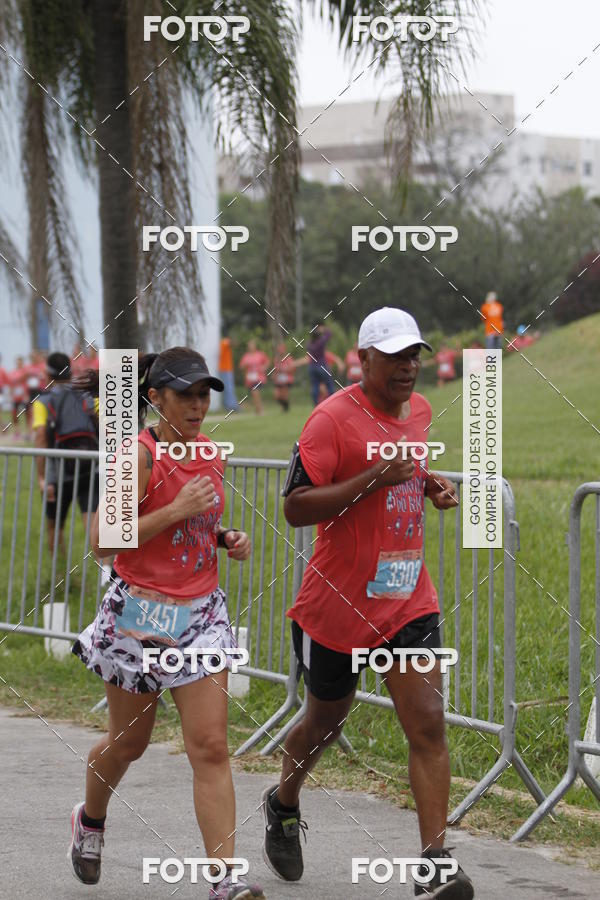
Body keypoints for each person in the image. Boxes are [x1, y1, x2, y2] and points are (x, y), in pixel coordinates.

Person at [261, 307, 474, 899]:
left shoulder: (422, 411)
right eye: (397, 357)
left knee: (428, 723)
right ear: (363, 360)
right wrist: (371, 481)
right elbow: (295, 507)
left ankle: (434, 864)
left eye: (415, 356)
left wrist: (430, 486)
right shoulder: (330, 420)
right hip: (337, 605)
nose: (409, 368)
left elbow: (410, 464)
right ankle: (283, 802)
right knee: (325, 724)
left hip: (407, 598)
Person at [69, 347, 264, 900]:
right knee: (128, 744)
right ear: (156, 399)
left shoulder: (211, 454)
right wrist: (176, 509)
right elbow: (104, 541)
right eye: (186, 395)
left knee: (210, 745)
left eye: (205, 394)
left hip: (200, 613)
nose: (199, 405)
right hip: (141, 613)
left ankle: (225, 879)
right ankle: (90, 819)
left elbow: (202, 522)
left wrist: (225, 538)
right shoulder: (137, 455)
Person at [33, 352, 99, 554]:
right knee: (93, 524)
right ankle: (105, 578)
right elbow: (108, 430)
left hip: (58, 473)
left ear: (47, 374)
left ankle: (59, 573)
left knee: (55, 524)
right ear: (70, 372)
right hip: (91, 467)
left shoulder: (42, 402)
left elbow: (41, 438)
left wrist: (42, 477)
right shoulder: (89, 397)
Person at [305, 325, 335, 405]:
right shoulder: (320, 342)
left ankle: (315, 404)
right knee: (330, 386)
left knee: (315, 386)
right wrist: (323, 329)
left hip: (312, 367)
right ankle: (332, 403)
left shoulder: (309, 344)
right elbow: (329, 334)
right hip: (322, 366)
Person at [239, 340, 269, 416]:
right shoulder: (246, 356)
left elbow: (267, 362)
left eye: (252, 345)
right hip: (250, 378)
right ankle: (258, 408)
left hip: (259, 377)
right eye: (249, 345)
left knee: (255, 392)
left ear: (255, 346)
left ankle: (259, 410)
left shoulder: (260, 354)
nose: (251, 347)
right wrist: (244, 366)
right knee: (254, 394)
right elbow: (241, 367)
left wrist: (264, 367)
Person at [272, 344, 298, 412]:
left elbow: (293, 369)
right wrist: (274, 375)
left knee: (284, 395)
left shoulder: (289, 359)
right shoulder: (276, 359)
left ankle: (285, 408)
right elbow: (275, 369)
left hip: (287, 379)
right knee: (277, 396)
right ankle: (285, 406)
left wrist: (285, 370)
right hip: (279, 380)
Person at [8, 356, 28, 439]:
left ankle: (28, 432)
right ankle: (17, 432)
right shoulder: (12, 372)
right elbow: (11, 384)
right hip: (15, 397)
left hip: (23, 396)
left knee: (27, 414)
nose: (18, 363)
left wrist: (26, 395)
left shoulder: (26, 371)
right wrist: (11, 394)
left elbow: (27, 382)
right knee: (15, 415)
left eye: (20, 362)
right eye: (17, 362)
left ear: (22, 363)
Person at [219, 335, 239, 412]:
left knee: (228, 388)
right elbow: (231, 343)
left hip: (226, 369)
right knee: (229, 388)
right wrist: (233, 341)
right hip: (225, 369)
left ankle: (230, 405)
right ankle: (232, 406)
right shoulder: (224, 342)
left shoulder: (222, 343)